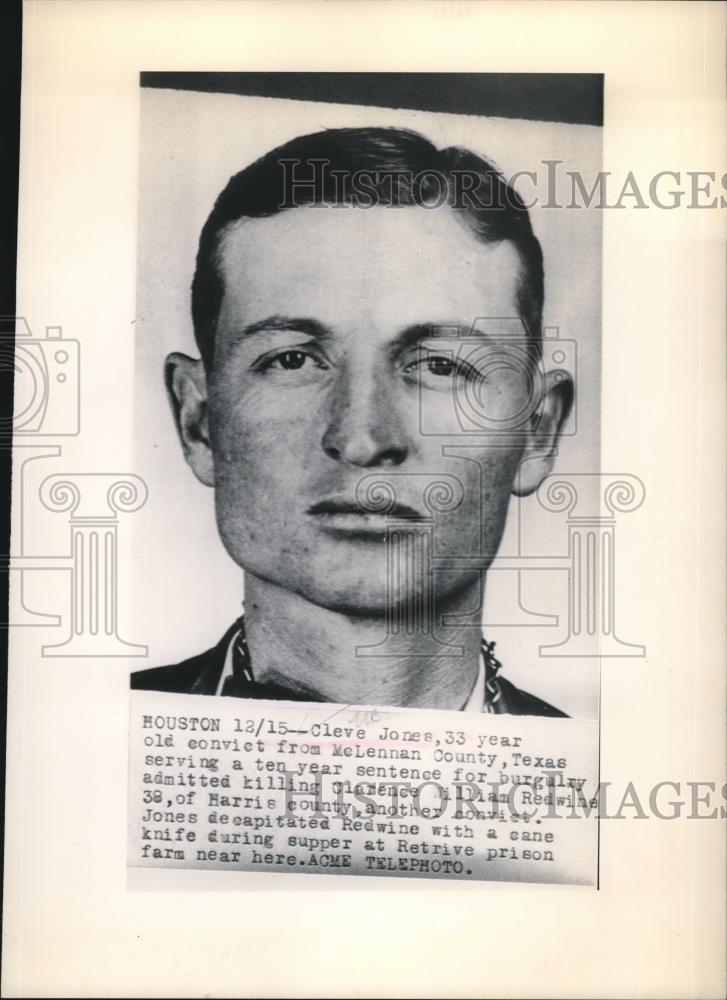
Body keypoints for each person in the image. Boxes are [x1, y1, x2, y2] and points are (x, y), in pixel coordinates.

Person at [131, 126, 573, 714]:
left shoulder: (600, 780)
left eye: (440, 365)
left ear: (536, 431)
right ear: (199, 422)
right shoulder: (80, 743)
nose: (363, 439)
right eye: (293, 360)